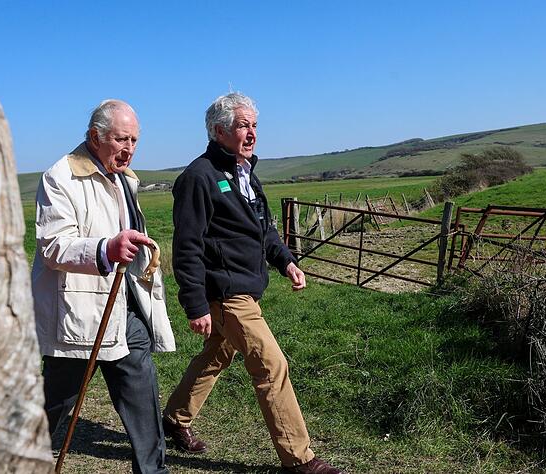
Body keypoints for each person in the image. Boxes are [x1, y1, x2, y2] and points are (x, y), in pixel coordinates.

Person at [162, 93, 342, 474]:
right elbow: (187, 245)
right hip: (226, 291)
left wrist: (287, 261)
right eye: (243, 125)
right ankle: (299, 459)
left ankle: (175, 418)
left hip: (247, 285)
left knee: (218, 353)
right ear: (218, 130)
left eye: (254, 125)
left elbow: (264, 229)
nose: (251, 133)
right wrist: (195, 304)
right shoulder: (199, 177)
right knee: (271, 364)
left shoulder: (244, 172)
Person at [32, 99, 175, 474]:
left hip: (124, 308)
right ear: (95, 137)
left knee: (142, 396)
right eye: (121, 139)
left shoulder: (126, 179)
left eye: (134, 140)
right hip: (77, 315)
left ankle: (152, 471)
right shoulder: (61, 176)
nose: (129, 149)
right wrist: (105, 248)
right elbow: (53, 245)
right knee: (57, 400)